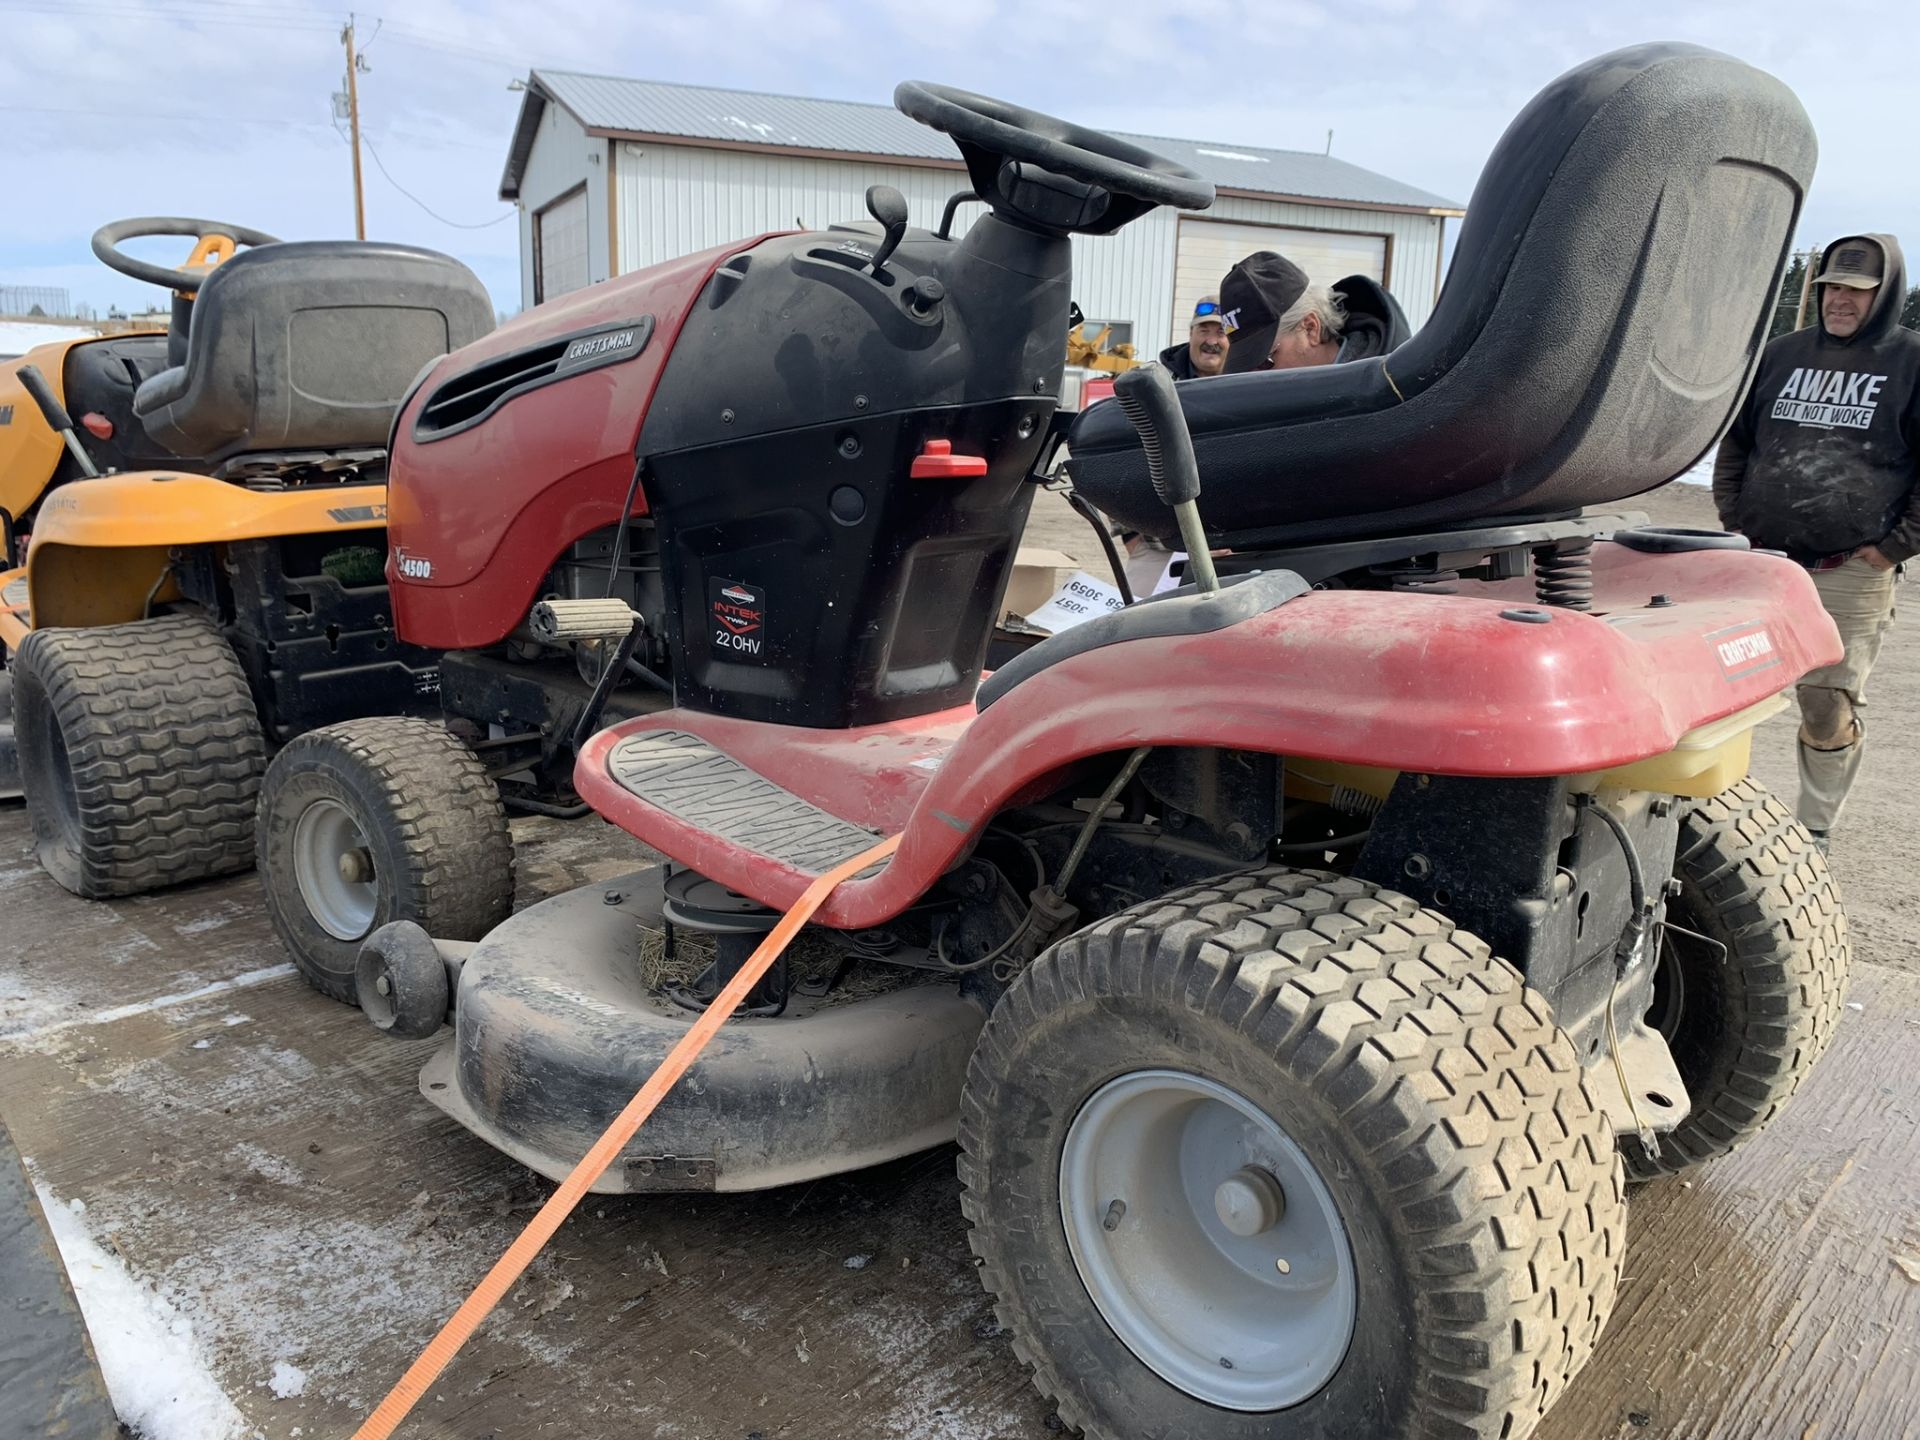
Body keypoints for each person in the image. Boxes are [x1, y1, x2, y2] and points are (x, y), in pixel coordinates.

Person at [1712, 233, 1920, 850]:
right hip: (1763, 559)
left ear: (1885, 296)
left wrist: (1894, 547)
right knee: (1727, 691)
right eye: (1830, 287)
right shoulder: (1781, 354)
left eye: (1856, 292)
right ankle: (1714, 814)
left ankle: (1816, 827)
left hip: (1850, 566)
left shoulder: (1912, 362)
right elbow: (1739, 441)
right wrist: (1734, 515)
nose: (1839, 300)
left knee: (1826, 700)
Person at [1219, 251, 1347, 373]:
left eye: (1265, 362)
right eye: (1242, 367)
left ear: (1310, 328)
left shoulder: (1366, 384)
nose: (1251, 376)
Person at [1158, 296, 1230, 379]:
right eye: (1204, 331)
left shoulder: (1245, 382)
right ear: (1191, 333)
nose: (1211, 341)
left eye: (1221, 332)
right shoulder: (1161, 382)